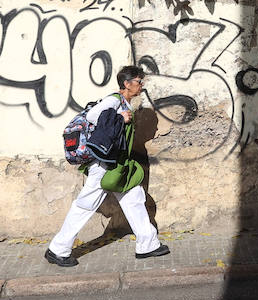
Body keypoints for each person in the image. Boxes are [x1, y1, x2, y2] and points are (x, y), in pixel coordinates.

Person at [46, 65, 169, 266]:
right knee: (85, 205)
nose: (141, 86)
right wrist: (121, 117)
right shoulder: (114, 100)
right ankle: (57, 249)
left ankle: (148, 243)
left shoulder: (126, 102)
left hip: (117, 164)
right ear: (127, 83)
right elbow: (92, 116)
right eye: (139, 82)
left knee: (134, 198)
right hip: (104, 166)